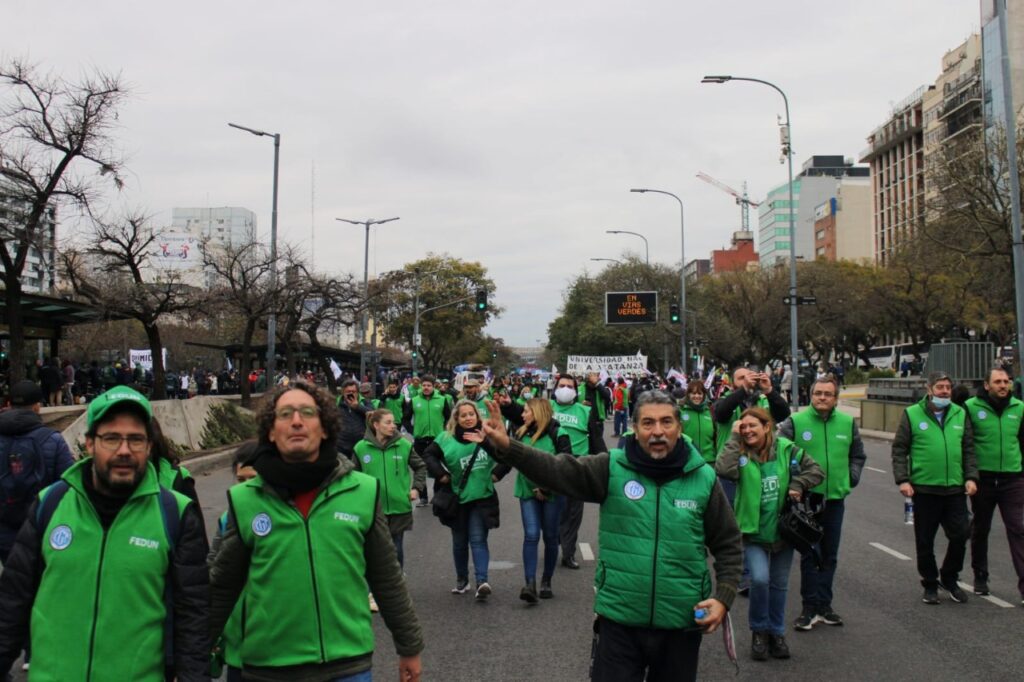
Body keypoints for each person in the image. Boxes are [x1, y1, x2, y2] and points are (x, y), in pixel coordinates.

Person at [480, 391, 742, 682]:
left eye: (666, 422)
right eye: (648, 423)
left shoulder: (703, 477)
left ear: (679, 427)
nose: (658, 431)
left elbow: (728, 542)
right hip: (619, 622)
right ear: (635, 428)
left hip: (681, 622)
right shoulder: (612, 467)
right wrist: (508, 446)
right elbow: (557, 470)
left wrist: (724, 597)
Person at [209, 380, 423, 681]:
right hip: (267, 669)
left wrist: (409, 647)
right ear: (270, 432)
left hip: (348, 665)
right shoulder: (244, 500)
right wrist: (191, 659)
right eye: (285, 415)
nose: (296, 421)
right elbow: (221, 588)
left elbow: (386, 577)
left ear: (325, 428)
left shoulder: (363, 491)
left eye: (307, 413)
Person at [0, 386, 209, 680]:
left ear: (149, 446)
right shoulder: (50, 504)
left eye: (135, 439)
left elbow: (194, 620)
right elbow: (11, 604)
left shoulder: (175, 513)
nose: (124, 450)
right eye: (111, 438)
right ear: (89, 443)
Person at [716, 407, 824, 662]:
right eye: (744, 427)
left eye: (753, 425)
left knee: (779, 585)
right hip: (752, 532)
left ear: (767, 426)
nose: (748, 431)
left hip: (784, 532)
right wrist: (733, 438)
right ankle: (758, 631)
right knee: (760, 580)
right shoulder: (740, 452)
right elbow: (723, 469)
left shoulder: (787, 449)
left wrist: (798, 485)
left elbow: (816, 471)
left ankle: (777, 633)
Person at [778, 375, 865, 629]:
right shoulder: (795, 421)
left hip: (835, 499)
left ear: (836, 398)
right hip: (806, 500)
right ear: (811, 395)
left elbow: (858, 456)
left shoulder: (848, 423)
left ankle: (825, 605)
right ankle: (809, 607)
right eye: (818, 394)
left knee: (830, 553)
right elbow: (781, 454)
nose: (823, 398)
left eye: (828, 394)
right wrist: (795, 483)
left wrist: (851, 478)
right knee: (809, 553)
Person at [891, 370, 978, 604]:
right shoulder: (912, 414)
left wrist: (971, 477)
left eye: (948, 387)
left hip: (955, 490)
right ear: (929, 389)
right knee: (925, 540)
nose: (945, 391)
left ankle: (950, 577)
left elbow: (969, 449)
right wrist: (903, 480)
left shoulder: (960, 414)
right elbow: (900, 449)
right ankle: (930, 583)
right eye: (940, 387)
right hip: (925, 489)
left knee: (961, 534)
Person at [422, 400, 507, 601]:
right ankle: (462, 579)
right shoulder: (445, 438)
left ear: (477, 416)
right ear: (456, 419)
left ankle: (482, 582)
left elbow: (506, 455)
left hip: (482, 497)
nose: (468, 418)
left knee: (478, 539)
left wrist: (496, 474)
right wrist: (441, 474)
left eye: (472, 414)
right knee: (460, 542)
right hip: (457, 499)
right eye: (464, 415)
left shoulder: (486, 434)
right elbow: (428, 455)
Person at [0, 380, 76, 564]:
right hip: (42, 527)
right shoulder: (53, 440)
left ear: (9, 405)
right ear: (37, 407)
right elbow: (70, 486)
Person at [965, 366, 1024, 600]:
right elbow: (966, 443)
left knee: (1018, 529)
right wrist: (969, 475)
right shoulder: (970, 408)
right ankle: (980, 575)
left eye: (1006, 381)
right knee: (981, 528)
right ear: (987, 385)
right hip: (983, 479)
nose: (1003, 385)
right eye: (998, 382)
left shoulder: (1019, 408)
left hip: (1013, 479)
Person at [509, 398, 571, 603]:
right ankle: (530, 584)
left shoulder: (559, 434)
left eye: (526, 411)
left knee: (551, 537)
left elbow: (565, 465)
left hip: (552, 492)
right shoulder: (521, 433)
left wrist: (545, 488)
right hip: (527, 491)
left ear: (537, 413)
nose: (523, 414)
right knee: (532, 534)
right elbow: (511, 458)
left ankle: (546, 581)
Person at [209, 440, 260, 682]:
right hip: (237, 649)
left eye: (253, 479)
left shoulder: (292, 518)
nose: (246, 487)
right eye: (241, 480)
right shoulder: (226, 519)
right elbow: (213, 573)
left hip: (284, 652)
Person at [354, 409, 427, 571]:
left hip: (398, 506)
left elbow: (420, 467)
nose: (393, 426)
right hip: (372, 508)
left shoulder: (404, 445)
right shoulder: (360, 448)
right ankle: (374, 589)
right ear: (376, 425)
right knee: (373, 550)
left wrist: (416, 488)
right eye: (388, 422)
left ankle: (397, 582)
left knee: (396, 547)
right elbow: (354, 476)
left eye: (393, 422)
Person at [403, 375, 451, 506]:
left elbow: (450, 417)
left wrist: (445, 431)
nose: (426, 387)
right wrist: (413, 431)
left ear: (433, 386)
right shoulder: (414, 401)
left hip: (438, 441)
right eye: (424, 385)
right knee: (421, 468)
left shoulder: (442, 400)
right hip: (420, 440)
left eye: (428, 385)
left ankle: (437, 495)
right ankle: (423, 497)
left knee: (439, 468)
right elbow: (405, 419)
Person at [678, 382, 716, 463]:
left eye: (700, 393)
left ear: (704, 395)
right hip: (688, 459)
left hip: (709, 460)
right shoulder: (680, 411)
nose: (697, 396)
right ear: (688, 394)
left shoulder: (710, 411)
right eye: (693, 393)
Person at [336, 378, 370, 458]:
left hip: (361, 445)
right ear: (343, 393)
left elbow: (373, 414)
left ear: (358, 393)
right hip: (341, 447)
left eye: (353, 392)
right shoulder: (336, 404)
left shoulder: (365, 402)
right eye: (348, 392)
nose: (351, 393)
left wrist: (358, 407)